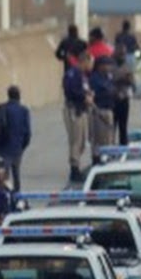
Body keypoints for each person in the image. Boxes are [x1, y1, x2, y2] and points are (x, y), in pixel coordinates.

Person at [0, 84, 31, 193]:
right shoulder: (24, 110)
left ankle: (4, 194)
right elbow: (28, 132)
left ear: (8, 95)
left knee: (4, 174)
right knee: (16, 173)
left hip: (3, 146)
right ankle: (17, 194)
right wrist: (23, 146)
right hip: (17, 146)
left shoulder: (2, 108)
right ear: (19, 96)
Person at [62, 54, 93, 184]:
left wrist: (89, 94)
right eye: (90, 62)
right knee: (75, 140)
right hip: (74, 110)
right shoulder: (72, 74)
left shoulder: (82, 75)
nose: (91, 66)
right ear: (84, 61)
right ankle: (74, 168)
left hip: (82, 110)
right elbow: (71, 91)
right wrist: (83, 97)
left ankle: (77, 163)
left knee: (82, 140)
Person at [111, 42, 135, 147]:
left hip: (124, 98)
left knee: (123, 126)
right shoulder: (110, 65)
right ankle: (111, 148)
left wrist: (129, 80)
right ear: (115, 53)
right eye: (120, 54)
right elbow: (108, 80)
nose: (122, 56)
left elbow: (133, 82)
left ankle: (123, 146)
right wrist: (120, 79)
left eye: (124, 54)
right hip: (113, 99)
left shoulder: (127, 65)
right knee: (112, 126)